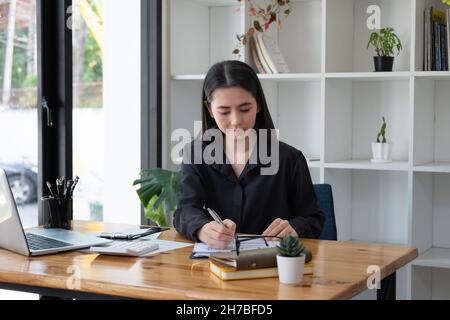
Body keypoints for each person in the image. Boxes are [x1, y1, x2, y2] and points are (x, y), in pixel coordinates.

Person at [173, 60, 324, 249]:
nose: (236, 121)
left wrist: (294, 227)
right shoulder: (195, 153)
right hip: (215, 265)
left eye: (245, 109)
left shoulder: (289, 159)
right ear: (209, 109)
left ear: (258, 105)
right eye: (224, 111)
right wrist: (202, 229)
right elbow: (184, 211)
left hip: (274, 265)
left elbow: (313, 218)